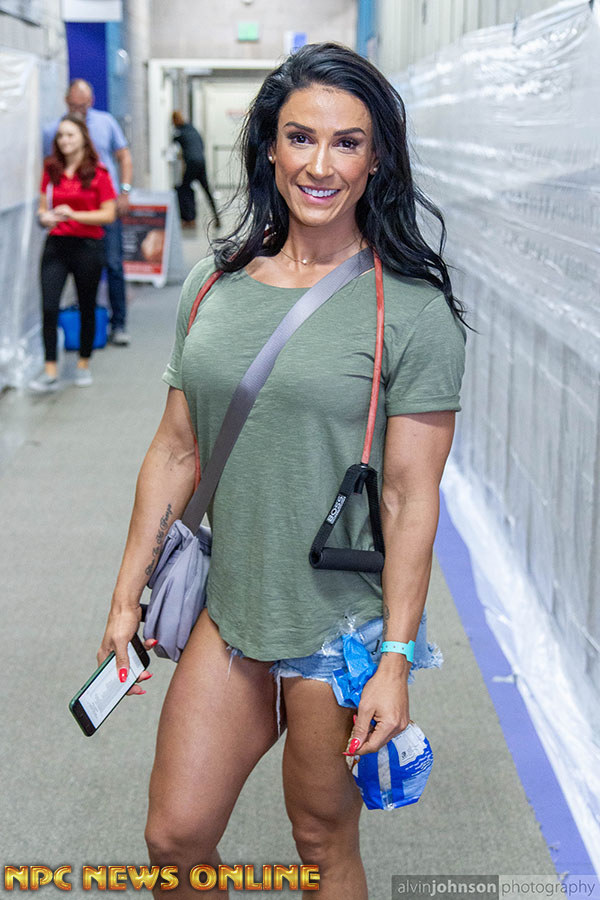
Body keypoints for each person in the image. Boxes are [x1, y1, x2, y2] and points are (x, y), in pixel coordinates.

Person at [98, 43, 468, 898]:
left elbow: (411, 497)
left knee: (321, 844)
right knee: (174, 839)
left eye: (347, 143)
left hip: (339, 633)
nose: (320, 165)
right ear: (270, 146)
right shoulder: (211, 285)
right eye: (301, 137)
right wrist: (124, 598)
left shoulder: (411, 311)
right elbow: (176, 448)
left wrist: (395, 658)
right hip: (231, 609)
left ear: (377, 160)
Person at [29, 116, 116, 392]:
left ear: (83, 138)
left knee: (86, 305)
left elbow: (109, 214)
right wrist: (44, 217)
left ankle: (83, 362)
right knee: (49, 306)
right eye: (61, 136)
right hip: (56, 245)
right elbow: (42, 207)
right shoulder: (51, 169)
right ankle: (50, 370)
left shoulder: (98, 172)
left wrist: (74, 214)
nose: (64, 141)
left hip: (87, 247)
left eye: (70, 135)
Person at [43, 79, 133, 346]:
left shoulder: (105, 123)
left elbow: (124, 156)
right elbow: (49, 168)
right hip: (72, 212)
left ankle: (119, 324)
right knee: (76, 271)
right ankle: (82, 329)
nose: (78, 109)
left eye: (82, 105)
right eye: (73, 105)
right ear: (66, 101)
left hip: (105, 204)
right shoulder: (54, 130)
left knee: (113, 264)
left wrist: (125, 191)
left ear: (91, 102)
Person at [172, 110, 220, 229]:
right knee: (206, 190)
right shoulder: (193, 129)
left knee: (184, 189)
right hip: (201, 162)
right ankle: (217, 218)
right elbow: (200, 145)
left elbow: (173, 142)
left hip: (192, 163)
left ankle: (189, 218)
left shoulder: (180, 133)